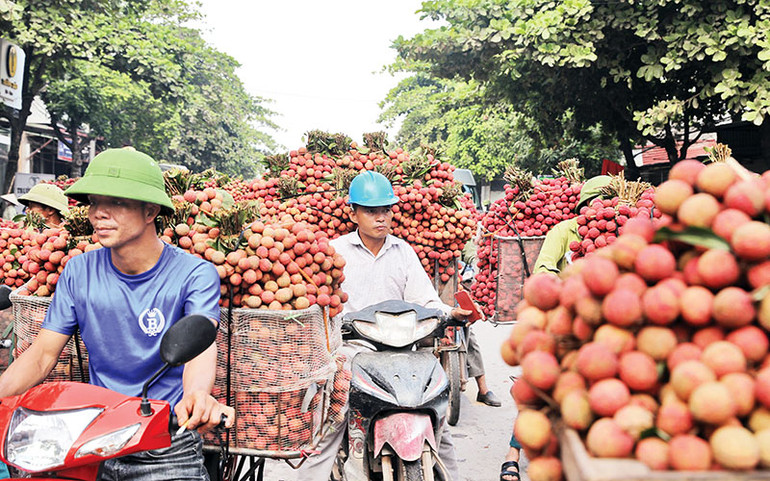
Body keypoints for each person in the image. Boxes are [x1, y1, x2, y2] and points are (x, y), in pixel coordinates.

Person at [0, 148, 234, 480]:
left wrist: (197, 395)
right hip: (94, 436)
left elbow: (199, 346)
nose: (99, 213)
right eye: (95, 203)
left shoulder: (194, 275)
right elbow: (41, 355)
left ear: (150, 210)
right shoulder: (78, 271)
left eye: (118, 203)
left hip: (164, 443)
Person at [299, 171, 475, 481]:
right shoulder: (335, 252)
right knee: (333, 422)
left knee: (437, 418)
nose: (381, 218)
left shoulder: (403, 252)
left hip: (403, 350)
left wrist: (451, 312)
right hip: (352, 350)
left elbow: (426, 300)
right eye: (371, 211)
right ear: (353, 213)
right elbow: (320, 302)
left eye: (386, 210)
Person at [499, 175, 611, 481]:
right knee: (540, 385)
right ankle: (513, 453)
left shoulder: (619, 230)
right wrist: (570, 284)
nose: (602, 210)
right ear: (585, 207)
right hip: (565, 318)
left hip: (607, 322)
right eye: (596, 205)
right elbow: (543, 270)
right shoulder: (564, 231)